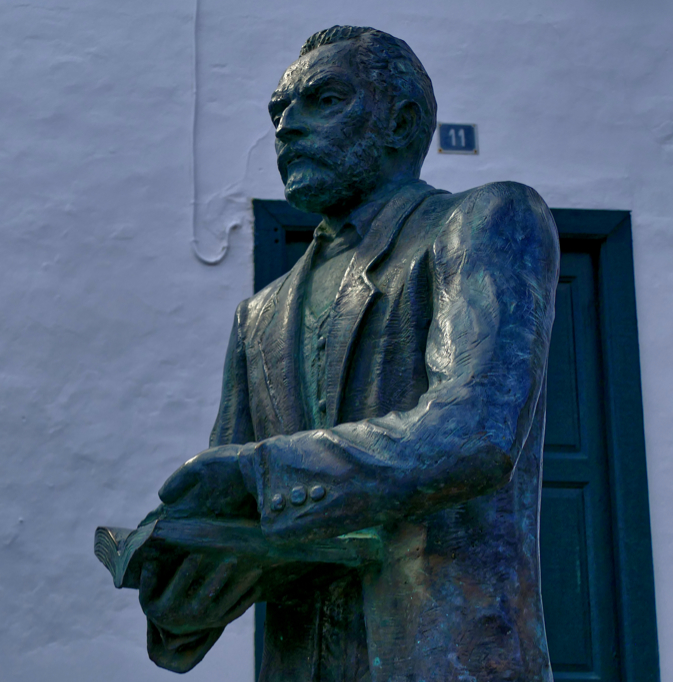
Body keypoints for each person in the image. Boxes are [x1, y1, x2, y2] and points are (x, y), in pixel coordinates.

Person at [139, 26, 560, 682]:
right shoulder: (261, 315)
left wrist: (255, 476)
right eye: (278, 112)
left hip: (438, 658)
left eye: (321, 100)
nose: (287, 127)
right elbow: (241, 511)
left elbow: (473, 432)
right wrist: (182, 576)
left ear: (402, 121)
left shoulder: (482, 222)